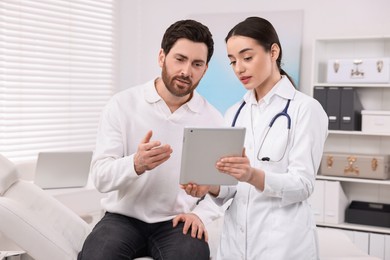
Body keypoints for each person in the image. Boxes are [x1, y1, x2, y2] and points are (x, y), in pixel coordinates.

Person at [182, 17, 329, 259]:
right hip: (235, 246)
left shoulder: (305, 109)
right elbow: (232, 188)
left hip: (283, 244)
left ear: (273, 52)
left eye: (247, 57)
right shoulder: (234, 113)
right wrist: (212, 187)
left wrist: (253, 175)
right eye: (232, 61)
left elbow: (303, 185)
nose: (239, 68)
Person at [78, 19, 225, 260]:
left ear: (205, 69)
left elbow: (223, 187)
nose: (186, 71)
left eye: (197, 64)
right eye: (180, 59)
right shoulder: (122, 105)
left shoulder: (213, 118)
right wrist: (135, 164)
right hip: (122, 219)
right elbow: (101, 178)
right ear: (161, 57)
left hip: (177, 222)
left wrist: (202, 215)